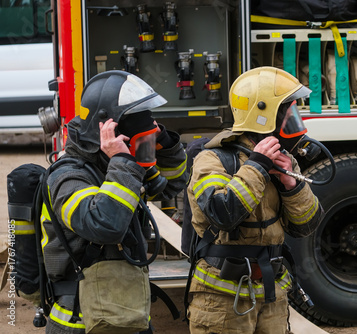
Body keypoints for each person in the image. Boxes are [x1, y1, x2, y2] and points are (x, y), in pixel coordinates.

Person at [42, 70, 188, 333]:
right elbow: (104, 225)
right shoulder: (68, 177)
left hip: (127, 310)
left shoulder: (119, 168)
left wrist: (165, 143)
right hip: (80, 321)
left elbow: (172, 186)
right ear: (109, 135)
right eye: (140, 141)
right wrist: (122, 163)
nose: (145, 149)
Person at [186, 66, 324, 333]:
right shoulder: (213, 159)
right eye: (289, 113)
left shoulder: (284, 162)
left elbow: (307, 226)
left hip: (271, 296)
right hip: (221, 301)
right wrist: (257, 167)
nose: (296, 122)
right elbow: (222, 214)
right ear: (266, 114)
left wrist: (291, 185)